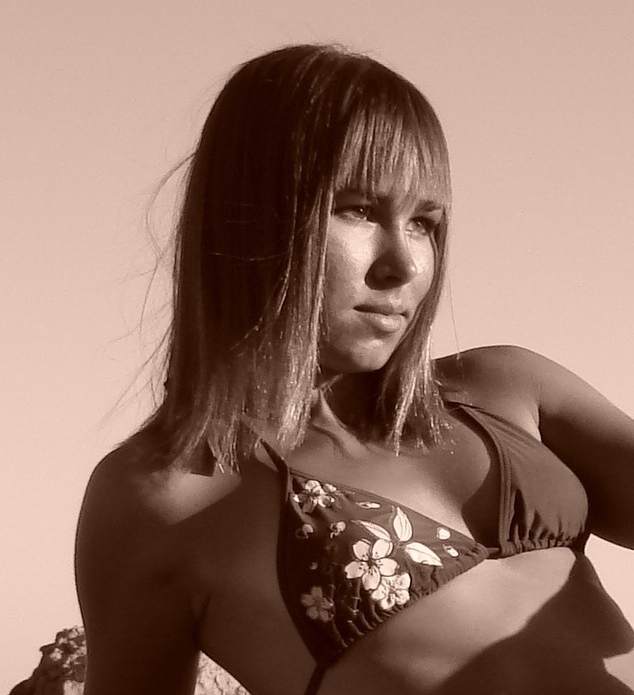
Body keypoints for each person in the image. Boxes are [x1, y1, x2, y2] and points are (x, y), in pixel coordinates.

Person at [75, 44, 634, 695]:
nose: (405, 265)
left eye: (424, 222)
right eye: (359, 210)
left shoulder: (508, 390)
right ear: (249, 215)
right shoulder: (165, 496)